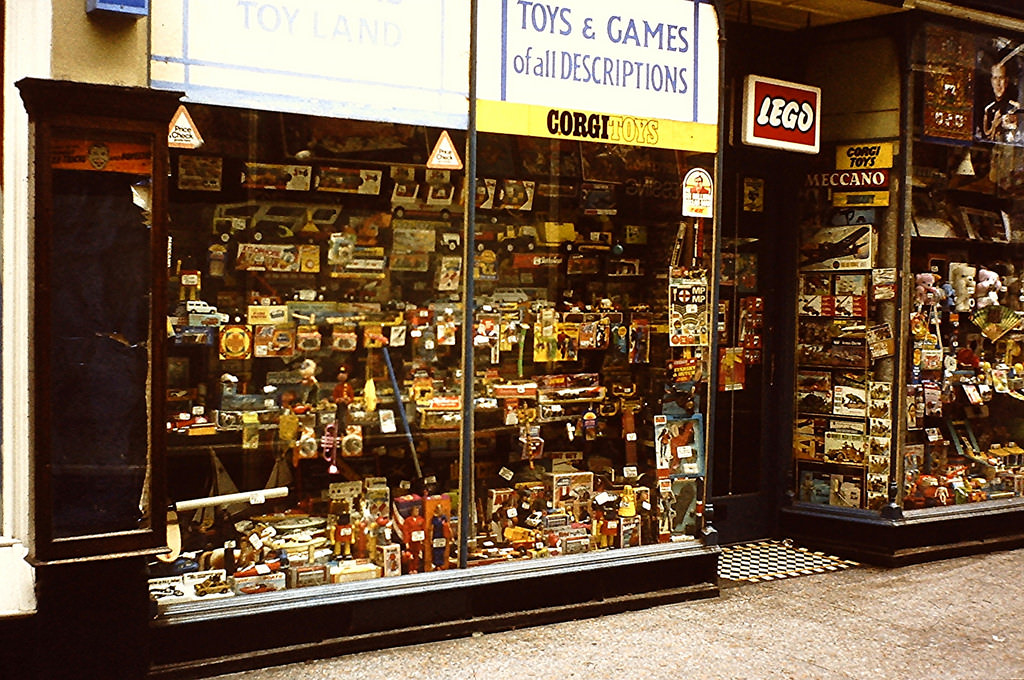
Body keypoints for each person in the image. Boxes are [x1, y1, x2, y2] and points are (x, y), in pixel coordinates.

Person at [980, 60, 1022, 144]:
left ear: (1006, 81)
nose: (998, 83)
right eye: (995, 78)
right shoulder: (986, 107)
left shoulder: (1014, 106)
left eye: (1001, 78)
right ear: (991, 81)